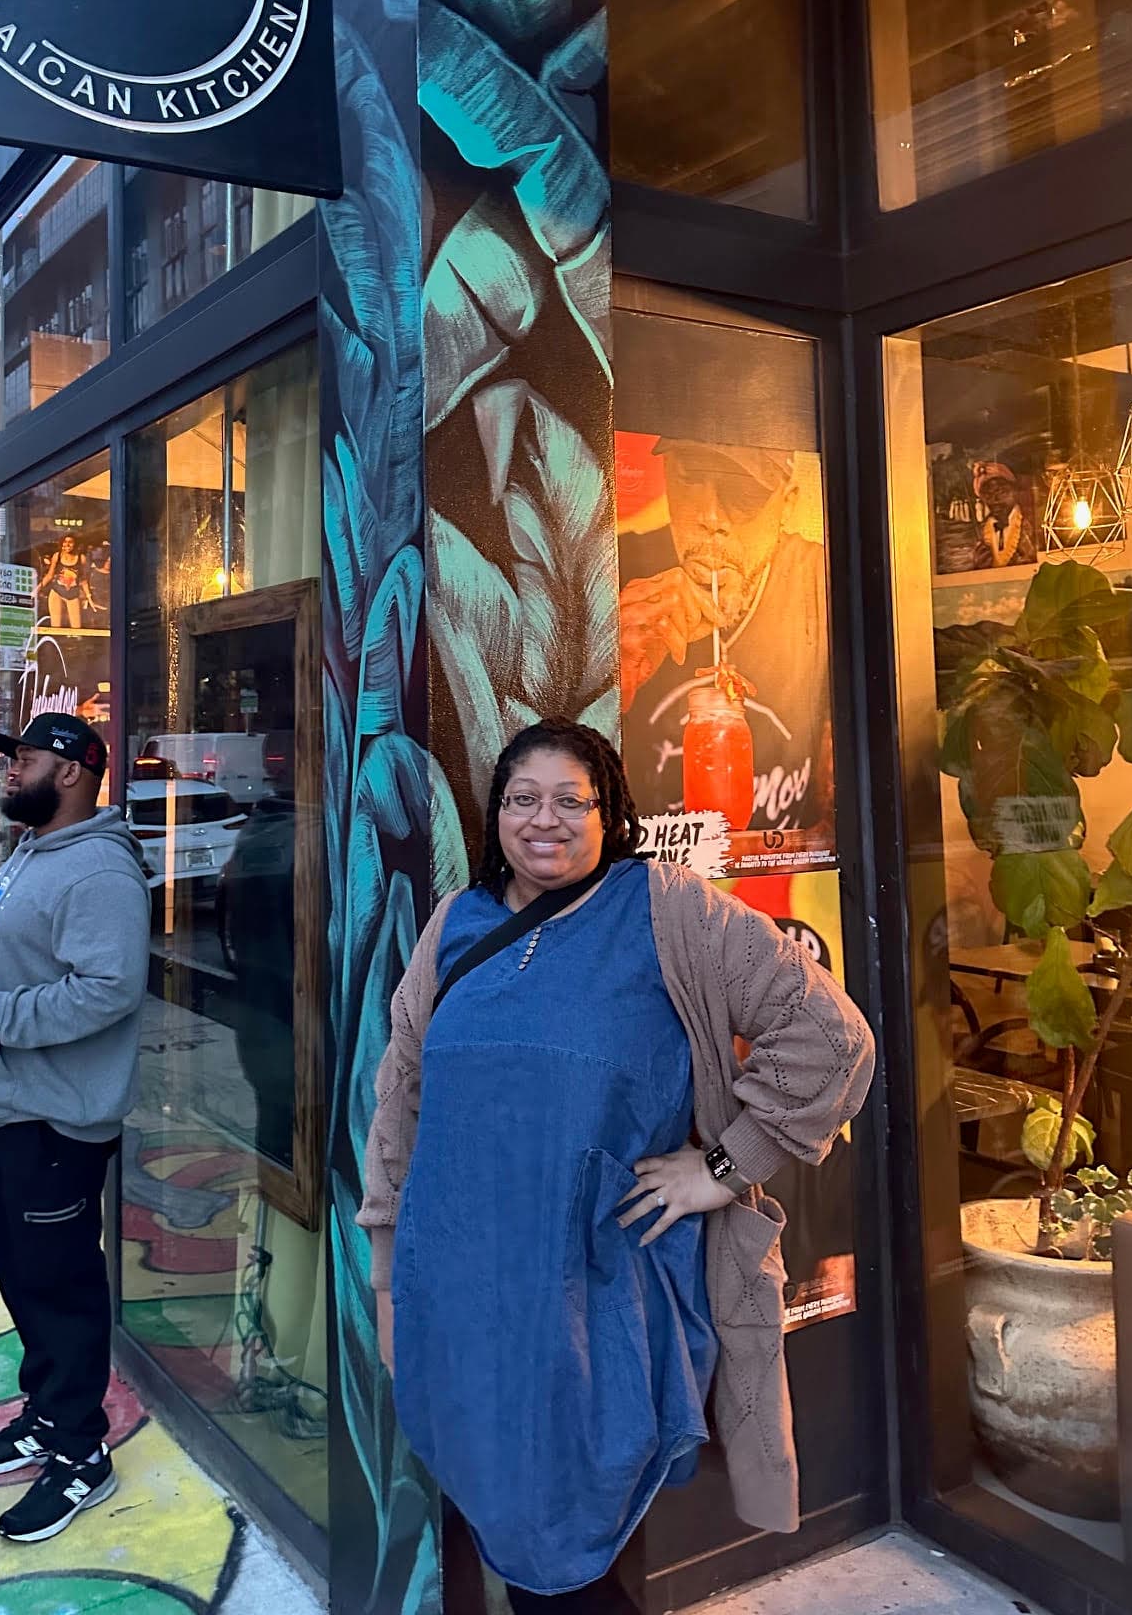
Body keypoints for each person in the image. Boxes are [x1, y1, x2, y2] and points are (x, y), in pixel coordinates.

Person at [360, 719, 874, 1613]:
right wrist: (390, 1287)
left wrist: (722, 1164)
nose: (544, 821)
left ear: (611, 813)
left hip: (594, 1302)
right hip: (461, 1297)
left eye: (571, 800)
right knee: (508, 1531)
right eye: (523, 800)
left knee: (576, 1551)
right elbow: (400, 1097)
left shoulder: (667, 911)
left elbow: (833, 1038)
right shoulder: (456, 924)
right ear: (496, 816)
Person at [0, 712, 150, 1545]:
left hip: (58, 1117)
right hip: (13, 1107)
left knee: (61, 1287)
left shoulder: (96, 870)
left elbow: (109, 990)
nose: (8, 770)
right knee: (25, 1276)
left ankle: (79, 1453)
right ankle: (44, 1413)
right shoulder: (33, 853)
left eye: (22, 758)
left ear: (69, 772)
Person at [619, 440, 832, 848]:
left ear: (787, 504)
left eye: (744, 493)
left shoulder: (821, 586)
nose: (711, 517)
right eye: (691, 478)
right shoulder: (611, 571)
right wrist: (609, 676)